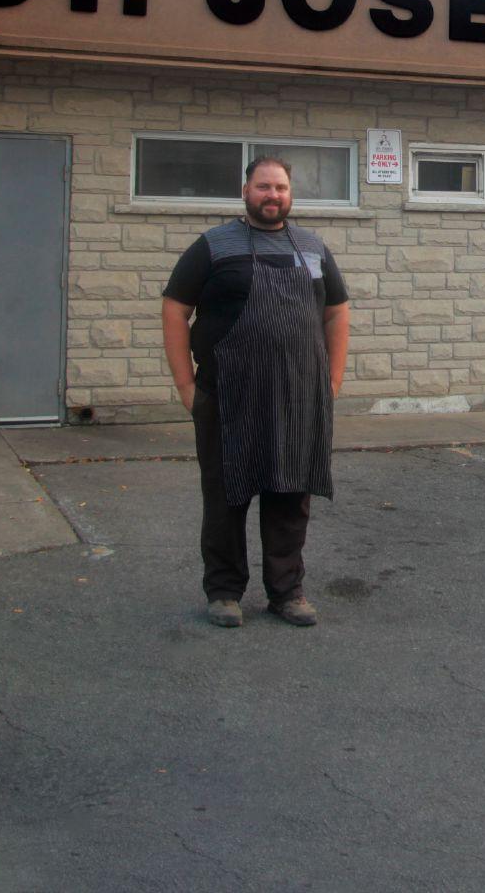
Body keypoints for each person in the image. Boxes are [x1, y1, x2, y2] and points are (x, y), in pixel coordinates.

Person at [161, 157, 350, 629]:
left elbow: (336, 310)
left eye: (281, 187)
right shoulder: (213, 245)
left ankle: (286, 593)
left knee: (290, 494)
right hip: (227, 397)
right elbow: (175, 308)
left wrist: (333, 379)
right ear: (245, 191)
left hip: (297, 399)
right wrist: (185, 385)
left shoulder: (312, 247)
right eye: (264, 186)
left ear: (290, 194)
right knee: (226, 496)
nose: (273, 195)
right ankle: (224, 592)